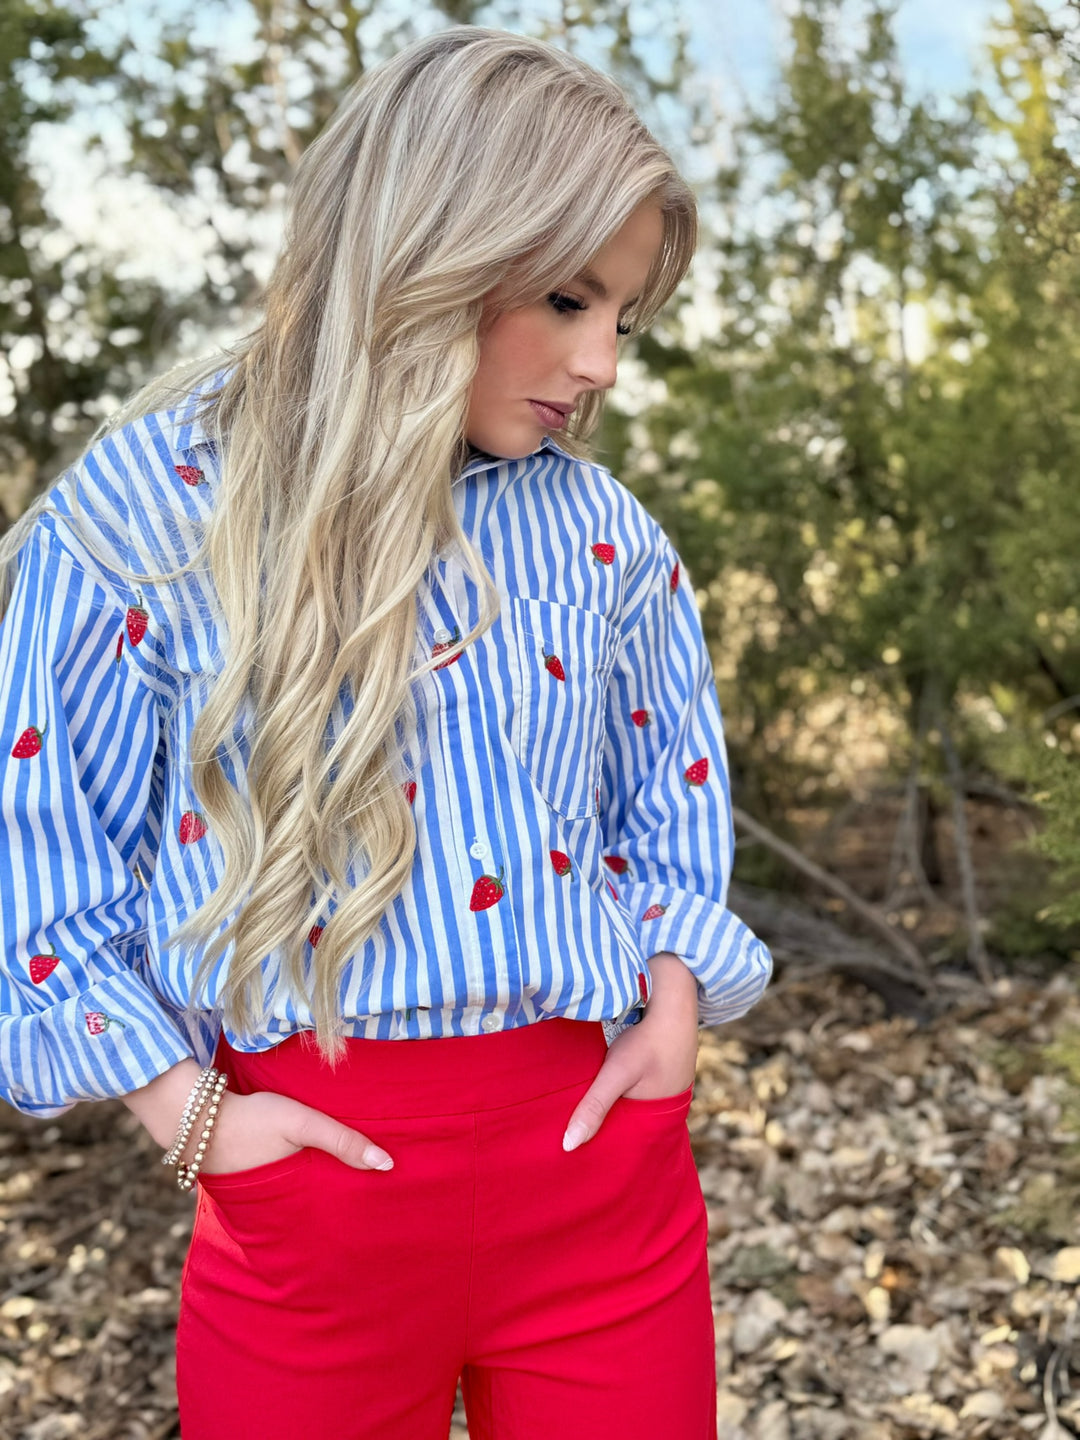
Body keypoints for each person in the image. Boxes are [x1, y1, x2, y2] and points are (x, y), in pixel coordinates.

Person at [0, 26, 772, 1440]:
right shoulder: (148, 518)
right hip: (308, 1218)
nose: (600, 362)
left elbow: (668, 786)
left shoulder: (596, 531)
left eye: (625, 315)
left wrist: (672, 998)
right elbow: (46, 855)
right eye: (565, 297)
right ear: (431, 245)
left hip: (600, 1187)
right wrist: (190, 1121)